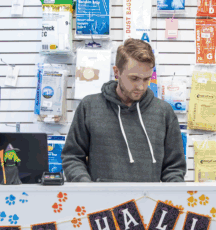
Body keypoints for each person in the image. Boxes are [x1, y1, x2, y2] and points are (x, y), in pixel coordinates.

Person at [62, 39, 187, 183]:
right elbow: (72, 157)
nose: (141, 86)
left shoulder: (164, 112)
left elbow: (174, 168)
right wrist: (87, 187)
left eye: (146, 79)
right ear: (117, 72)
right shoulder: (89, 107)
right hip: (101, 203)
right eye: (134, 78)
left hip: (147, 203)